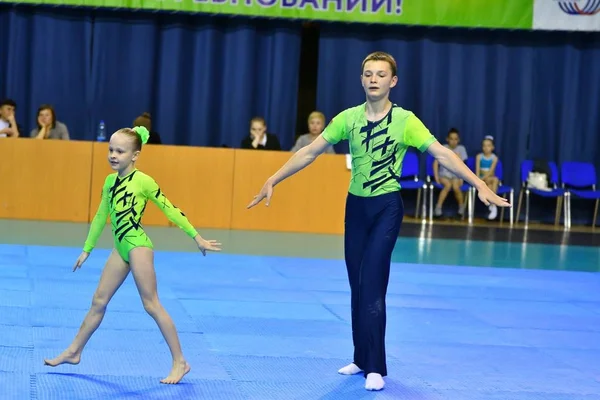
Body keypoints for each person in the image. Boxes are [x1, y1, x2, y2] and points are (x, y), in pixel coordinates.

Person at [246, 51, 510, 391]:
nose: (374, 78)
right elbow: (310, 151)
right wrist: (273, 178)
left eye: (381, 74)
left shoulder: (406, 121)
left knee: (373, 283)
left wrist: (477, 185)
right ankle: (360, 357)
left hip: (387, 206)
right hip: (355, 208)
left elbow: (442, 154)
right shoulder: (348, 118)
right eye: (368, 73)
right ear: (361, 79)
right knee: (357, 284)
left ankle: (376, 366)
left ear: (392, 81)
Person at [43, 126, 222, 384]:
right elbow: (100, 216)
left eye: (120, 151)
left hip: (138, 246)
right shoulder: (109, 182)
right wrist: (87, 249)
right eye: (111, 150)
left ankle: (180, 361)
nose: (113, 155)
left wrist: (197, 238)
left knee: (151, 304)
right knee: (98, 301)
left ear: (135, 155)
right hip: (121, 248)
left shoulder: (144, 181)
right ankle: (74, 351)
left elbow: (170, 210)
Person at [433, 128, 468, 217]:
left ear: (458, 140)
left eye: (456, 139)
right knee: (448, 185)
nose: (453, 141)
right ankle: (438, 207)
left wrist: (462, 178)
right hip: (444, 175)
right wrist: (436, 177)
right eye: (451, 139)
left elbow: (462, 166)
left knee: (456, 186)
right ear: (447, 139)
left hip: (456, 176)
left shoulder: (461, 149)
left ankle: (461, 207)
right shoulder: (443, 148)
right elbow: (435, 163)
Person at [476, 135, 500, 220]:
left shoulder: (494, 158)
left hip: (490, 178)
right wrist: (479, 180)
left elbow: (491, 171)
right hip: (481, 179)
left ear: (492, 147)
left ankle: (493, 205)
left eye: (488, 146)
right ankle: (493, 205)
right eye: (484, 146)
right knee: (490, 186)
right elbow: (477, 171)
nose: (486, 148)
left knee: (494, 180)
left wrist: (483, 179)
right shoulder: (479, 157)